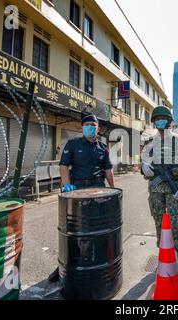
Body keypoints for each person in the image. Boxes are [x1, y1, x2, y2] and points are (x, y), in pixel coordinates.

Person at [48, 113, 115, 283]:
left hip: (98, 189)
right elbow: (63, 166)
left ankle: (97, 264)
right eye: (86, 125)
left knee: (98, 230)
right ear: (82, 127)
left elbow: (108, 170)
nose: (89, 127)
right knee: (73, 231)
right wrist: (66, 185)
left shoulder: (103, 148)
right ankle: (64, 266)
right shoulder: (72, 144)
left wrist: (113, 190)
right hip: (76, 190)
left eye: (93, 124)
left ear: (98, 128)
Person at [141, 106, 178, 290]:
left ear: (169, 121)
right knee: (159, 226)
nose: (160, 122)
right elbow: (143, 164)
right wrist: (143, 167)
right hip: (155, 192)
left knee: (177, 227)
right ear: (154, 122)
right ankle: (164, 259)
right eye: (157, 119)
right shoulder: (149, 143)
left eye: (163, 118)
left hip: (174, 191)